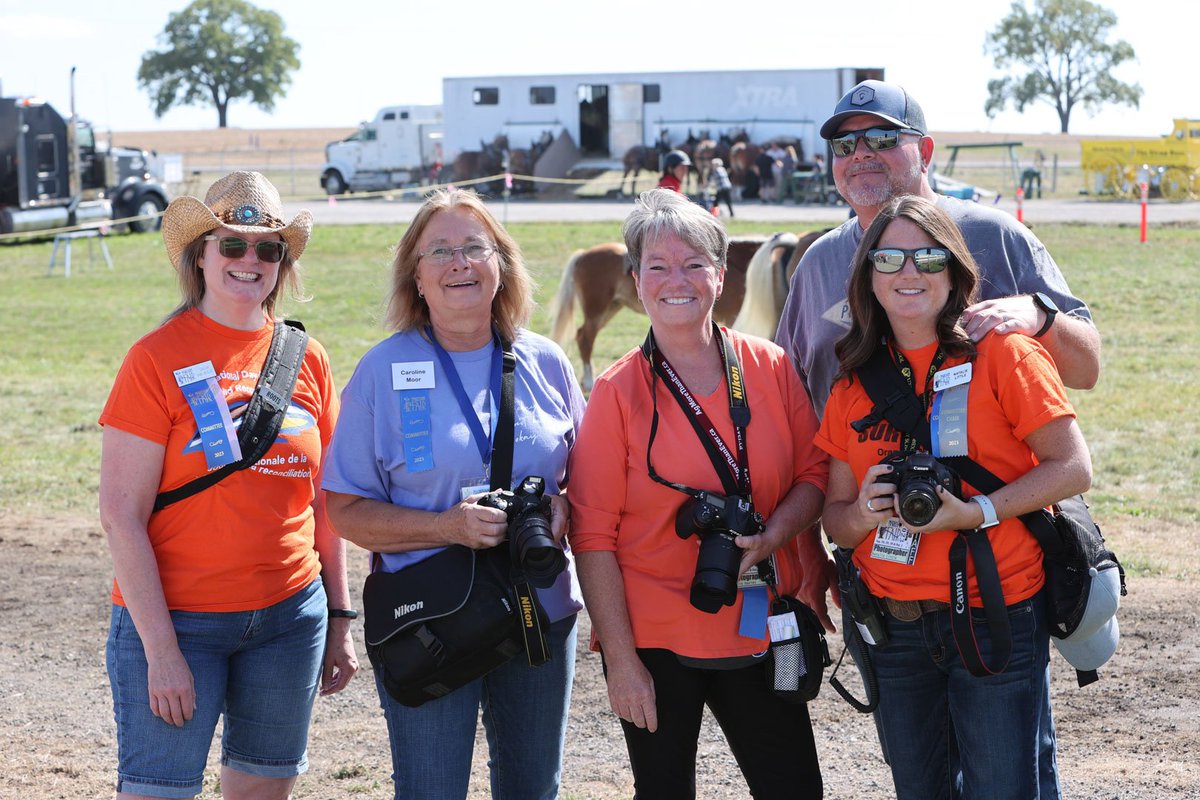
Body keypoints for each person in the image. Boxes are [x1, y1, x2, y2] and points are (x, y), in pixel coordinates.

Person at [774, 78, 1101, 798]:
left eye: (883, 138)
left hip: (996, 577)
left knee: (1009, 774)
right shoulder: (818, 266)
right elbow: (801, 425)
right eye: (845, 143)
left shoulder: (994, 235)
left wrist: (1039, 318)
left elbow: (1088, 372)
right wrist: (817, 548)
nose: (862, 154)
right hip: (886, 586)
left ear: (923, 149)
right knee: (919, 777)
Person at [98, 171, 358, 800]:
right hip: (178, 620)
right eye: (231, 244)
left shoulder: (308, 357)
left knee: (263, 791)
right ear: (201, 255)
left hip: (290, 619)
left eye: (268, 248)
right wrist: (161, 651)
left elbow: (327, 503)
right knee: (158, 790)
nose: (250, 260)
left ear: (283, 263)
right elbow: (120, 516)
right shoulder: (155, 356)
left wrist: (341, 617)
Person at [321, 188, 585, 800]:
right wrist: (447, 527)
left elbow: (586, 481)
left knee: (533, 789)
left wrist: (568, 506)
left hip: (536, 608)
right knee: (430, 790)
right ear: (415, 276)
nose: (458, 263)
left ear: (502, 265)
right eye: (438, 251)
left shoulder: (545, 361)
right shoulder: (382, 372)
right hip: (430, 622)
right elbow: (343, 510)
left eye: (474, 247)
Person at [568, 188, 828, 799]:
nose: (675, 280)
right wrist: (622, 662)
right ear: (635, 281)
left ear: (720, 275)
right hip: (656, 640)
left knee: (794, 789)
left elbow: (815, 476)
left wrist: (775, 535)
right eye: (657, 266)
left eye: (693, 264)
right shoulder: (617, 393)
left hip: (763, 621)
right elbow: (592, 535)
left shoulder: (770, 367)